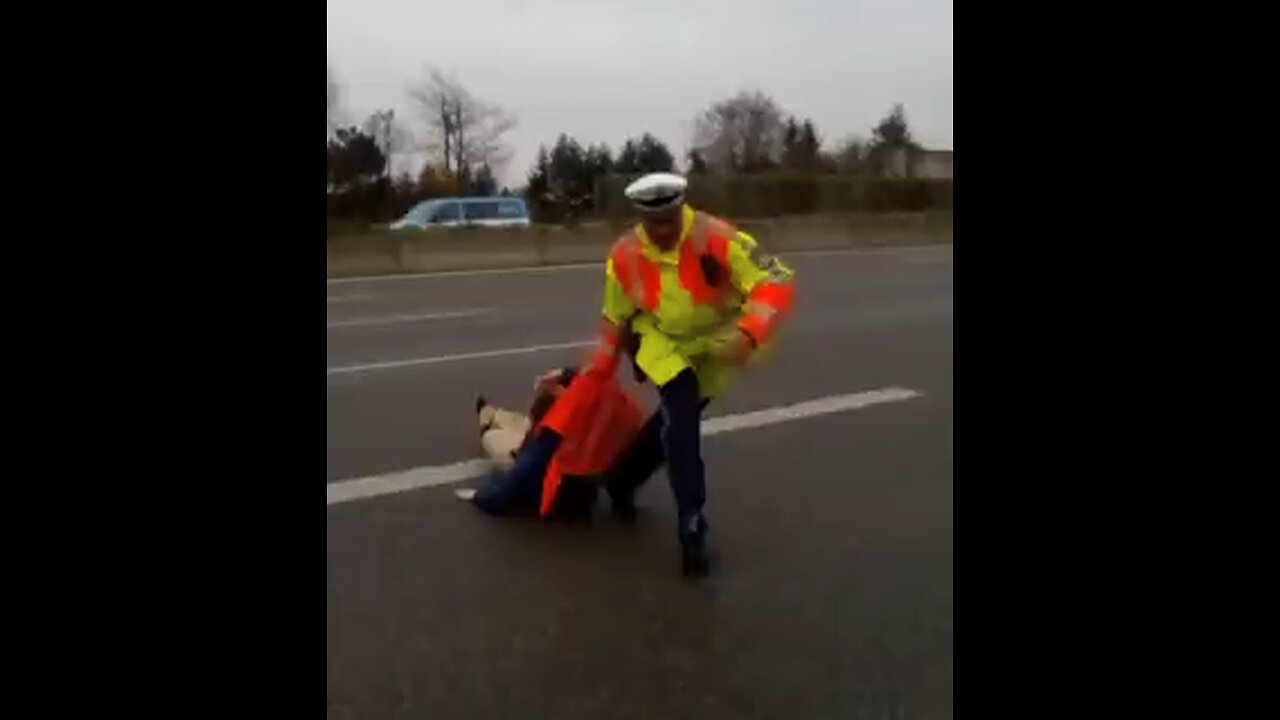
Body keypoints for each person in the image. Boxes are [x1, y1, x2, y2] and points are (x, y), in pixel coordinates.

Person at [587, 171, 796, 577]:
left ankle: (621, 479)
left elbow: (774, 281)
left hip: (716, 343)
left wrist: (749, 332)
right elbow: (615, 317)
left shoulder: (716, 237)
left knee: (673, 420)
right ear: (641, 218)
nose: (664, 230)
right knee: (680, 415)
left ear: (681, 208)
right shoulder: (625, 254)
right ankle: (692, 521)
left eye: (670, 218)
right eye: (654, 222)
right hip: (660, 340)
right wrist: (599, 370)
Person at [456, 366, 646, 521]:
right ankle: (494, 414)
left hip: (559, 491)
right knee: (520, 423)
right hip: (592, 468)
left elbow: (511, 487)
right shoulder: (610, 394)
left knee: (495, 438)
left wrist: (481, 493)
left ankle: (488, 420)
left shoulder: (553, 431)